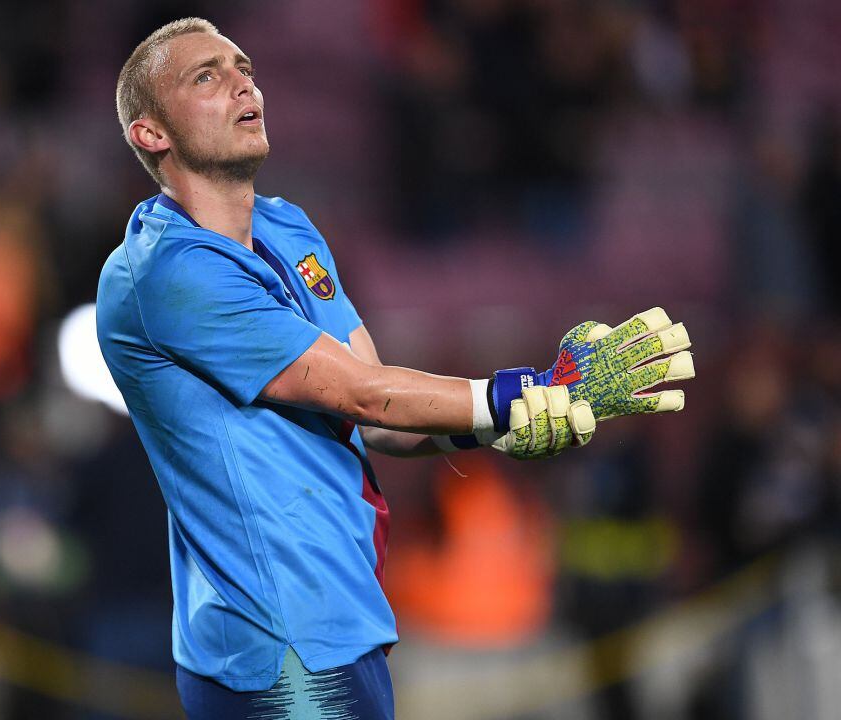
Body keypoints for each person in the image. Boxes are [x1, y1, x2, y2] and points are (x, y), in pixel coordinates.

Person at [97, 17, 694, 719]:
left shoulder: (289, 229)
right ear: (150, 133)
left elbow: (378, 425)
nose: (242, 81)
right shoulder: (163, 271)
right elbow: (365, 395)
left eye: (243, 66)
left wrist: (507, 425)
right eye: (207, 76)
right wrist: (525, 393)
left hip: (342, 621)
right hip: (275, 643)